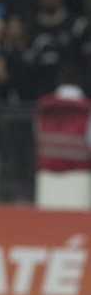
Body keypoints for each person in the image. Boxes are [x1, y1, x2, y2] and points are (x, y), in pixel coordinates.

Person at [33, 59, 91, 209]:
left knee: (48, 222)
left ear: (59, 81)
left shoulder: (44, 106)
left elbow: (37, 134)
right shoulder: (86, 109)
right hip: (78, 174)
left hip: (48, 171)